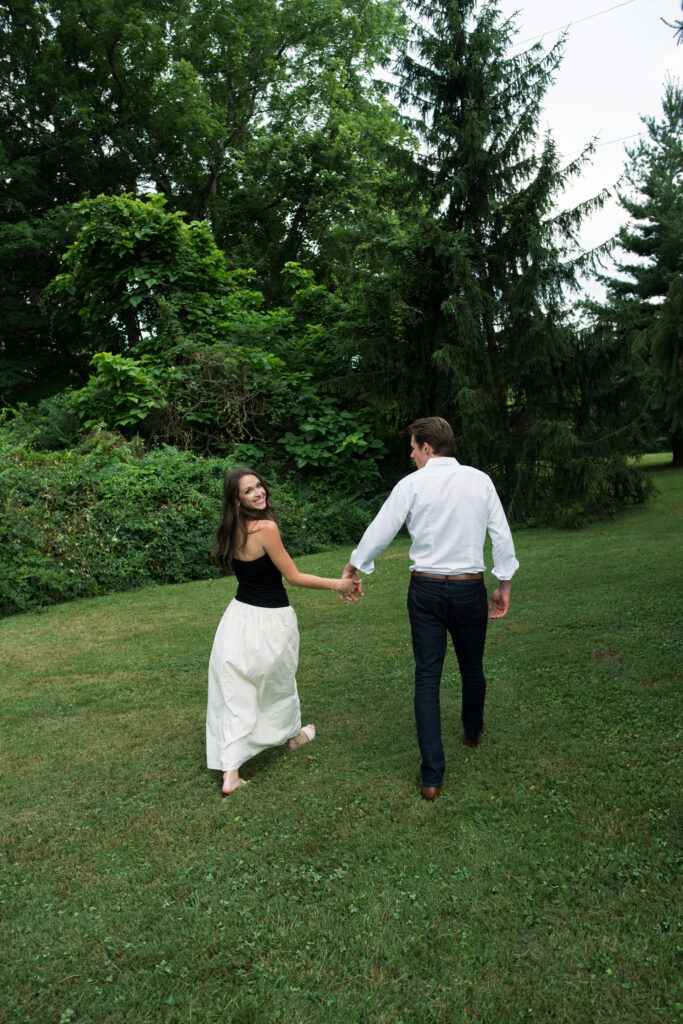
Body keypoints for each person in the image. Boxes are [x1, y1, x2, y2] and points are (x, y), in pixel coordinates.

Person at [342, 417, 519, 801]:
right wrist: (503, 583)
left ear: (427, 447)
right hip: (469, 587)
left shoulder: (412, 484)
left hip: (426, 590)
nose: (410, 454)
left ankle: (432, 777)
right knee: (472, 666)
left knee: (427, 677)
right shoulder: (480, 480)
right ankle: (472, 734)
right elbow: (501, 535)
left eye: (412, 447)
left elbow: (381, 528)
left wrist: (356, 564)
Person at [207, 467, 359, 794]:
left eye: (259, 485)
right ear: (237, 499)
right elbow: (293, 576)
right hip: (270, 620)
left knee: (237, 692)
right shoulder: (265, 528)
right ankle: (294, 737)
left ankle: (231, 772)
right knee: (279, 681)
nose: (259, 492)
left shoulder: (230, 529)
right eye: (249, 490)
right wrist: (339, 584)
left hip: (237, 618)